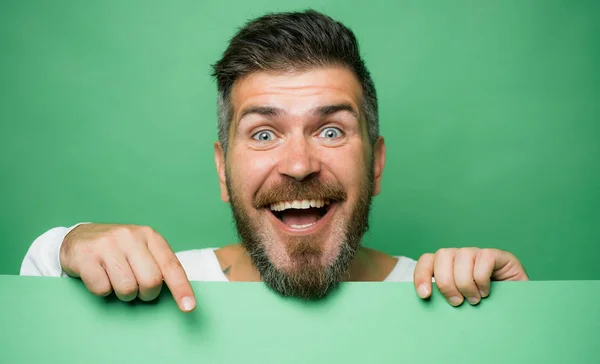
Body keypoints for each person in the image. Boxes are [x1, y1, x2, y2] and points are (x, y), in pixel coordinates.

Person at [20, 10, 528, 313]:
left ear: (375, 164)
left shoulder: (449, 296)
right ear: (223, 170)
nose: (300, 164)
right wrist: (66, 244)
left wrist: (516, 316)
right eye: (264, 133)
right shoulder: (157, 287)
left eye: (331, 130)